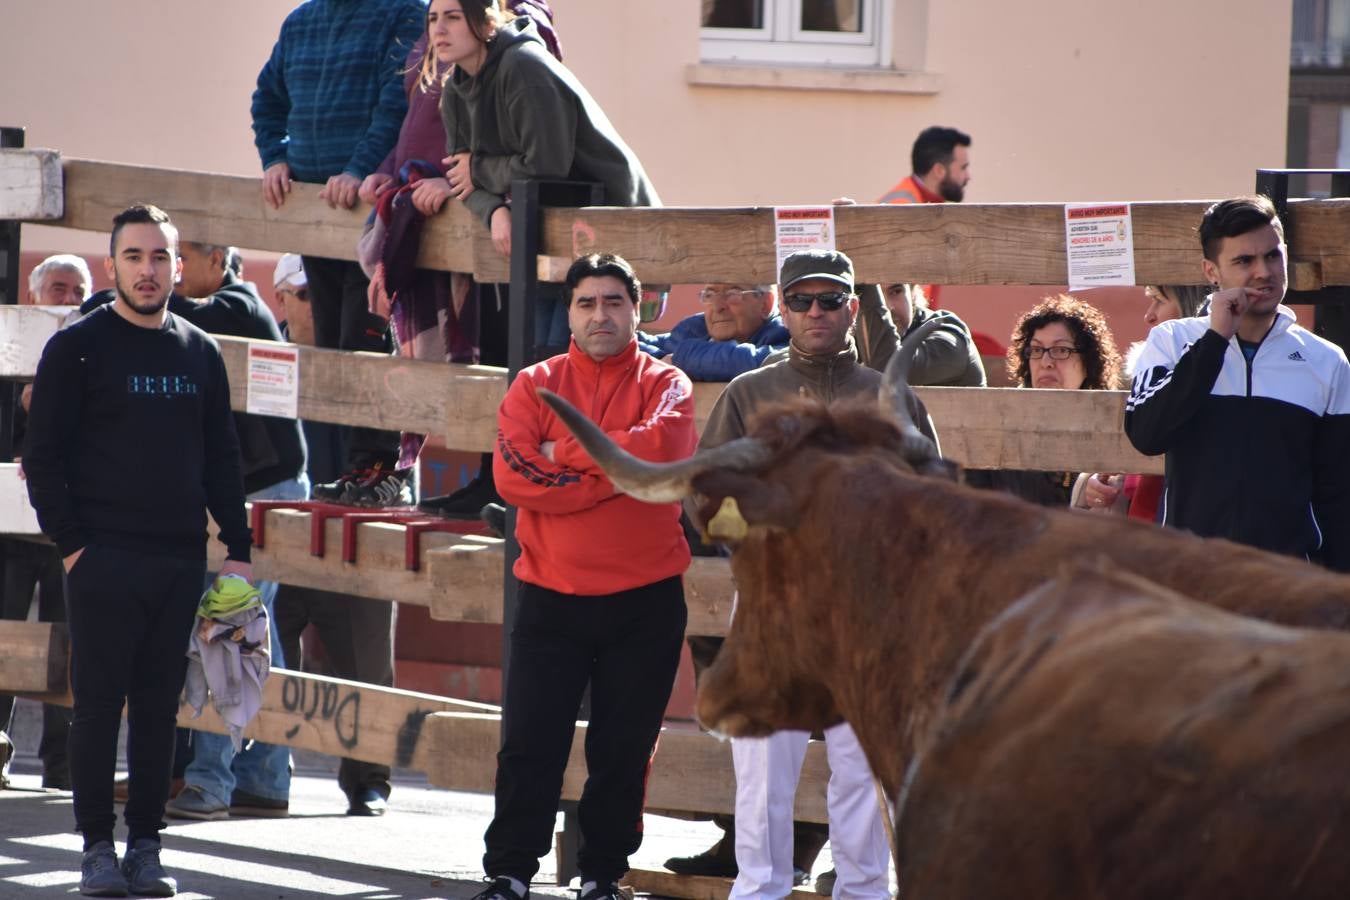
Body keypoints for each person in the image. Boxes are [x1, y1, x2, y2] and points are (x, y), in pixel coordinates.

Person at [24, 204, 252, 898]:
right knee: (97, 706)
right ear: (112, 264)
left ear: (178, 268)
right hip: (101, 559)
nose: (148, 270)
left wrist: (236, 548)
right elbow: (44, 455)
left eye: (160, 258)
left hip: (179, 558)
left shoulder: (199, 351)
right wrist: (72, 547)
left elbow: (221, 458)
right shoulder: (77, 347)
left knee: (160, 711)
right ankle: (96, 850)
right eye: (134, 257)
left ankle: (146, 848)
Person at [699, 250, 936, 900]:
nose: (814, 313)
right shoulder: (749, 393)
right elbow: (708, 499)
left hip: (869, 612)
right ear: (781, 308)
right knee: (763, 768)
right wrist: (755, 548)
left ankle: (861, 891)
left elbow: (932, 493)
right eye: (800, 301)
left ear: (852, 309)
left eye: (829, 301)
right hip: (774, 608)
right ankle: (760, 891)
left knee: (862, 768)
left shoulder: (888, 394)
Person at [474, 253, 695, 900]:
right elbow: (514, 476)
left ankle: (602, 875)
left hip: (645, 602)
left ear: (637, 308)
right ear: (568, 312)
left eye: (614, 302)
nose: (601, 315)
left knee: (623, 753)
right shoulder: (533, 385)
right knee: (528, 747)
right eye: (587, 303)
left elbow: (663, 457)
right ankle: (511, 873)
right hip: (550, 597)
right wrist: (614, 468)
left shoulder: (669, 384)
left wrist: (563, 457)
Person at [421, 0, 658, 520]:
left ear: (484, 21)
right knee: (525, 366)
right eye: (433, 18)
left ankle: (563, 496)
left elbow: (543, 164)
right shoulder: (455, 87)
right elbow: (461, 178)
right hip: (534, 228)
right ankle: (515, 491)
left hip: (602, 226)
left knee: (563, 365)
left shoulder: (525, 68)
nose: (439, 30)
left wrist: (484, 176)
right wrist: (494, 212)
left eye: (452, 17)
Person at [153, 240, 309, 822]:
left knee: (226, 626)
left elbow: (184, 316)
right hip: (253, 491)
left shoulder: (239, 304)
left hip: (263, 493)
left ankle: (210, 782)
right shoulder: (219, 311)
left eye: (177, 261)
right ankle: (265, 779)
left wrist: (117, 301)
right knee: (252, 631)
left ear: (216, 259)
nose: (167, 274)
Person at [251, 0, 425, 505]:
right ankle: (355, 472)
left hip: (371, 212)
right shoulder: (301, 21)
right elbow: (267, 98)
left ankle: (384, 472)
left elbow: (398, 104)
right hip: (317, 218)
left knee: (366, 341)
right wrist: (275, 156)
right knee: (332, 347)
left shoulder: (402, 13)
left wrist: (358, 168)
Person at [1126, 196, 1350, 570]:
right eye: (1244, 261)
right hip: (1191, 579)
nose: (1264, 271)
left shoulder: (1327, 362)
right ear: (1211, 271)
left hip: (1288, 585)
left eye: (1273, 256)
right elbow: (1147, 434)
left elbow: (1339, 493)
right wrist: (1215, 340)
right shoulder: (1171, 341)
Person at [0, 255, 93, 791]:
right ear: (35, 296)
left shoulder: (94, 353)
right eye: (58, 289)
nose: (68, 300)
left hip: (69, 526)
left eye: (79, 291)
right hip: (13, 530)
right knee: (6, 638)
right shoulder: (12, 350)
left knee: (69, 645)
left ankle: (63, 765)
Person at [966, 294, 1121, 507]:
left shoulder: (1113, 421)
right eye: (1037, 350)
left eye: (1061, 350)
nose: (1046, 362)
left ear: (1089, 360)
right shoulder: (999, 422)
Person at [1073, 284, 1207, 519]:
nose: (1149, 315)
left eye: (1159, 300)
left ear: (1193, 308)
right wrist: (1098, 482)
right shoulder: (1146, 380)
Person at [639, 283, 788, 380]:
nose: (717, 307)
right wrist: (662, 358)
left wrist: (676, 360)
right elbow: (641, 344)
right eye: (709, 295)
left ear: (766, 304)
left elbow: (761, 361)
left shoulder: (785, 334)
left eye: (733, 293)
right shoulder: (696, 329)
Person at [854, 282, 986, 386]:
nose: (887, 308)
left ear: (913, 293)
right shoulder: (857, 335)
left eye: (895, 292)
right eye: (879, 298)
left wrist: (865, 285)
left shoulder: (948, 337)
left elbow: (889, 371)